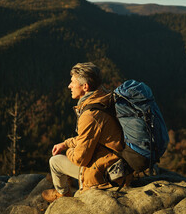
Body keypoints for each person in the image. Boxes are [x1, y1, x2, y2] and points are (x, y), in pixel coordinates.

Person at [41, 62, 124, 203]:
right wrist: (66, 143)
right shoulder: (105, 98)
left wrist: (68, 150)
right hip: (118, 163)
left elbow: (80, 159)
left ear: (85, 87)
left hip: (106, 173)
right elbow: (90, 137)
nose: (69, 86)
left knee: (55, 161)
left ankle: (63, 195)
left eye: (73, 82)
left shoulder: (90, 115)